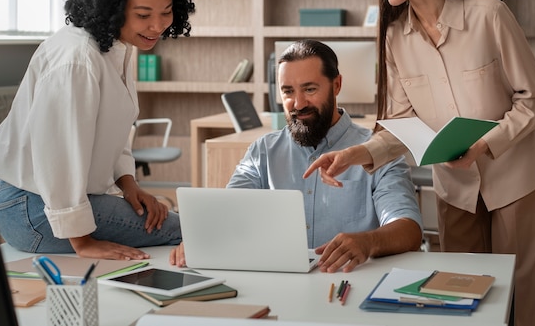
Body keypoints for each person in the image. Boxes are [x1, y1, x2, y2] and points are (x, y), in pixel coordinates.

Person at [303, 0, 535, 325]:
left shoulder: (487, 13)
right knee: (460, 294)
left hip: (514, 174)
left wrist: (484, 144)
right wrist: (355, 154)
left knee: (517, 295)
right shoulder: (394, 37)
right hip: (454, 183)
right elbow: (405, 123)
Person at [0, 0, 204, 261]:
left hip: (47, 201)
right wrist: (83, 242)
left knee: (182, 225)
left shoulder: (119, 45)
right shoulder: (78, 59)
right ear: (112, 7)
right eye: (143, 15)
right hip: (32, 208)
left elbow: (109, 133)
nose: (157, 25)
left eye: (167, 11)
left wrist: (129, 183)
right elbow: (58, 155)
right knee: (189, 231)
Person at [170, 40, 423, 272]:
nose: (298, 103)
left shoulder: (376, 151)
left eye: (310, 89)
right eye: (288, 92)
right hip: (279, 283)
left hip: (348, 280)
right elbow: (228, 212)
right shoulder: (263, 151)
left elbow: (409, 230)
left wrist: (368, 242)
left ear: (336, 85)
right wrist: (201, 239)